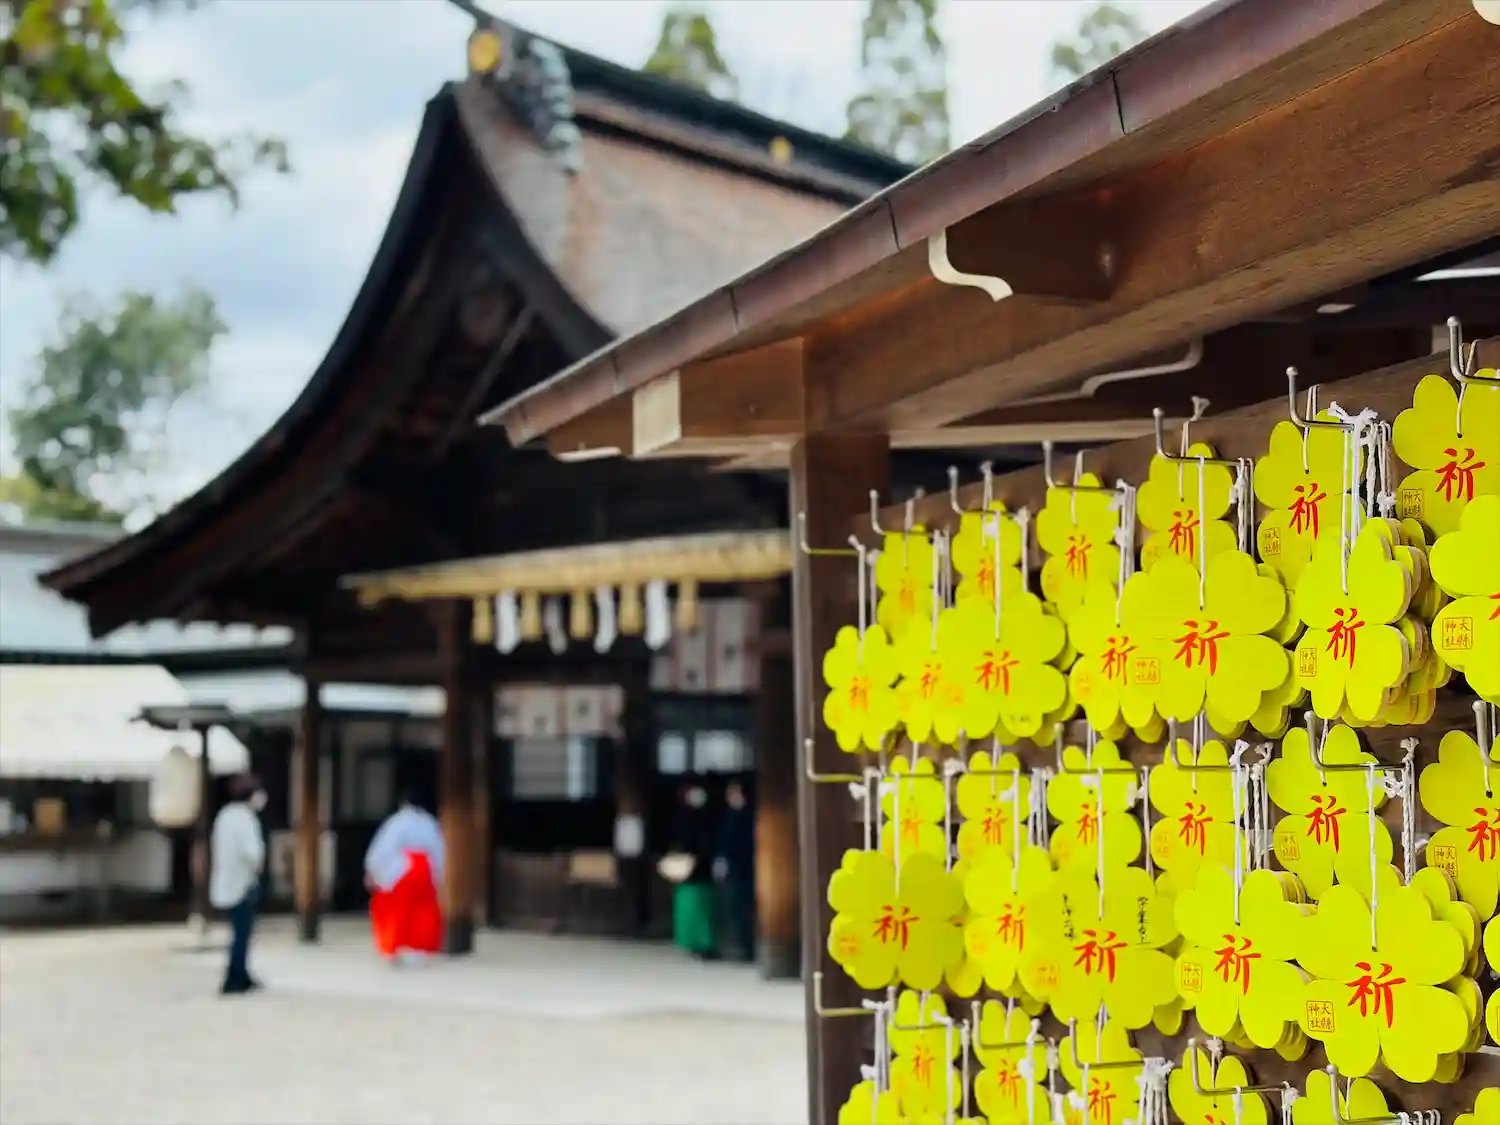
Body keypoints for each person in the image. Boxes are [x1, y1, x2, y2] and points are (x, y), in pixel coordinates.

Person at [363, 790, 445, 964]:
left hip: (402, 869)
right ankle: (419, 948)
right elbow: (439, 850)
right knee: (423, 911)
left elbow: (384, 847)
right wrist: (438, 875)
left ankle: (395, 946)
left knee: (397, 911)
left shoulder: (398, 821)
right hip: (425, 870)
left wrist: (374, 871)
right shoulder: (429, 822)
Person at [209, 773, 266, 996]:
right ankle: (235, 977)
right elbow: (253, 853)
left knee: (238, 931)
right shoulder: (245, 818)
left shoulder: (224, 815)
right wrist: (259, 865)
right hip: (242, 883)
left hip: (226, 881)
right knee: (242, 933)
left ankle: (240, 972)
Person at [669, 780, 719, 961]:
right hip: (693, 871)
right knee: (697, 910)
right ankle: (699, 943)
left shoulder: (700, 817)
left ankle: (699, 943)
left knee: (697, 910)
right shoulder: (687, 818)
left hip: (694, 871)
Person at [714, 779, 756, 963]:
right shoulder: (731, 815)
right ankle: (739, 944)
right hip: (734, 868)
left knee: (743, 909)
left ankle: (745, 947)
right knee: (735, 909)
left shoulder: (745, 816)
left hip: (743, 868)